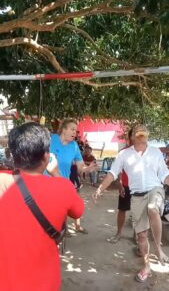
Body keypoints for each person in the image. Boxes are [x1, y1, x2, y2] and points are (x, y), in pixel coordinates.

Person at [0, 122, 84, 291]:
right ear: (46, 157)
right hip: (44, 283)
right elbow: (78, 211)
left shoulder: (2, 181)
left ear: (13, 155)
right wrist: (55, 173)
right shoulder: (63, 187)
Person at [93, 124, 169, 283]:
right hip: (136, 197)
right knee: (141, 236)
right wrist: (100, 188)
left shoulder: (155, 153)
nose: (141, 133)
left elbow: (164, 175)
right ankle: (147, 266)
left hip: (155, 189)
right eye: (137, 131)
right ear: (132, 137)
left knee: (153, 209)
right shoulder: (124, 155)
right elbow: (113, 173)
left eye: (143, 130)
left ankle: (159, 249)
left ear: (147, 135)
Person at [49, 118, 96, 233]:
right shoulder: (50, 139)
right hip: (46, 183)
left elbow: (80, 166)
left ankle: (62, 231)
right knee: (49, 213)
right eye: (72, 129)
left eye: (76, 130)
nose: (74, 132)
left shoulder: (74, 146)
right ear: (63, 129)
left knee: (62, 210)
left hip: (63, 184)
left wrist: (87, 169)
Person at [109, 129, 133, 243]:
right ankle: (118, 233)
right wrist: (120, 184)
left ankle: (137, 237)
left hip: (140, 188)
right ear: (129, 137)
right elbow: (118, 170)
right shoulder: (123, 152)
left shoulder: (145, 152)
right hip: (126, 186)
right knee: (122, 210)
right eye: (132, 136)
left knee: (139, 213)